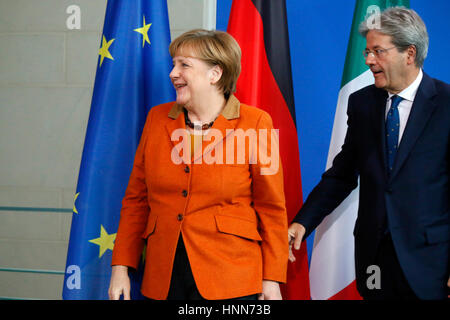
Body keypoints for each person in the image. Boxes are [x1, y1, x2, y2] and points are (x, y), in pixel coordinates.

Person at [108, 29, 288, 300]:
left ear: (215, 74)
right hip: (163, 278)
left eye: (185, 65)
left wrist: (271, 279)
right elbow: (136, 200)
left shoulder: (256, 123)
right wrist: (120, 268)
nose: (173, 73)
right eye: (173, 64)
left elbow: (271, 209)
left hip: (232, 279)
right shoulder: (157, 119)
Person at [289, 7, 449, 300]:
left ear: (409, 54)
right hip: (374, 260)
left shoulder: (447, 104)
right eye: (366, 52)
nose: (368, 60)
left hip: (431, 263)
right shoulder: (362, 103)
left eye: (378, 51)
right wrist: (303, 221)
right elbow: (342, 175)